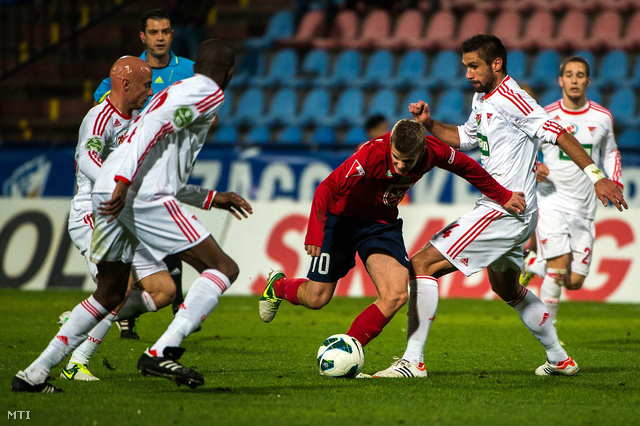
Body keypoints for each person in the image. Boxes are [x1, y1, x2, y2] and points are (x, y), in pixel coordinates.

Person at [373, 35, 626, 378]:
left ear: (496, 64)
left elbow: (560, 133)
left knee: (420, 265)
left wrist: (597, 176)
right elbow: (466, 138)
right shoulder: (483, 97)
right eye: (465, 67)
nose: (467, 74)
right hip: (510, 211)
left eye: (473, 66)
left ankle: (412, 361)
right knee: (506, 288)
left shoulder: (514, 99)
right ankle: (559, 358)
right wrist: (429, 125)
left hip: (503, 209)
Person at [12, 39, 250, 393]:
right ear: (229, 73)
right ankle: (160, 350)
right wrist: (125, 180)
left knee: (109, 294)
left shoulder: (172, 93)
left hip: (112, 191)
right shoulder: (209, 94)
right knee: (223, 268)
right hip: (135, 194)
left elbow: (156, 153)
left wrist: (212, 197)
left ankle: (32, 374)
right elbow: (155, 131)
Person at [259, 118, 526, 363]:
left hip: (380, 225)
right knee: (317, 298)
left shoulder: (434, 150)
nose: (399, 166)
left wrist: (502, 196)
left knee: (396, 294)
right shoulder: (371, 153)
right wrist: (315, 232)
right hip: (340, 222)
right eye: (396, 158)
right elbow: (327, 188)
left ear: (421, 151)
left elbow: (467, 167)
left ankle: (348, 351)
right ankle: (278, 286)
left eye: (406, 162)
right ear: (391, 145)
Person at [61, 56, 221, 382]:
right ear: (125, 84)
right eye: (146, 85)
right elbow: (87, 158)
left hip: (125, 214)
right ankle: (76, 362)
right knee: (121, 287)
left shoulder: (137, 119)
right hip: (95, 212)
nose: (150, 92)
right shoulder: (98, 118)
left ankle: (84, 314)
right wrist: (118, 180)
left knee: (164, 291)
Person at [94, 8, 197, 338]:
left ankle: (160, 306)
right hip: (133, 174)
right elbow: (106, 109)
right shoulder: (129, 70)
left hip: (168, 168)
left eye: (165, 31)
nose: (161, 37)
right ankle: (154, 308)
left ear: (172, 34)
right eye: (154, 32)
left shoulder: (189, 71)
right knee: (143, 246)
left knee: (166, 241)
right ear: (143, 37)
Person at [519, 56, 623, 332]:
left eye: (580, 75)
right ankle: (550, 337)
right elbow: (522, 146)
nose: (575, 80)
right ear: (560, 80)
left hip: (585, 207)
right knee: (559, 266)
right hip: (551, 199)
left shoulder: (602, 117)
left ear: (588, 81)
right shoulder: (548, 115)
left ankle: (534, 263)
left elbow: (611, 151)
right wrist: (534, 165)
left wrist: (614, 181)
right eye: (569, 74)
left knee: (574, 281)